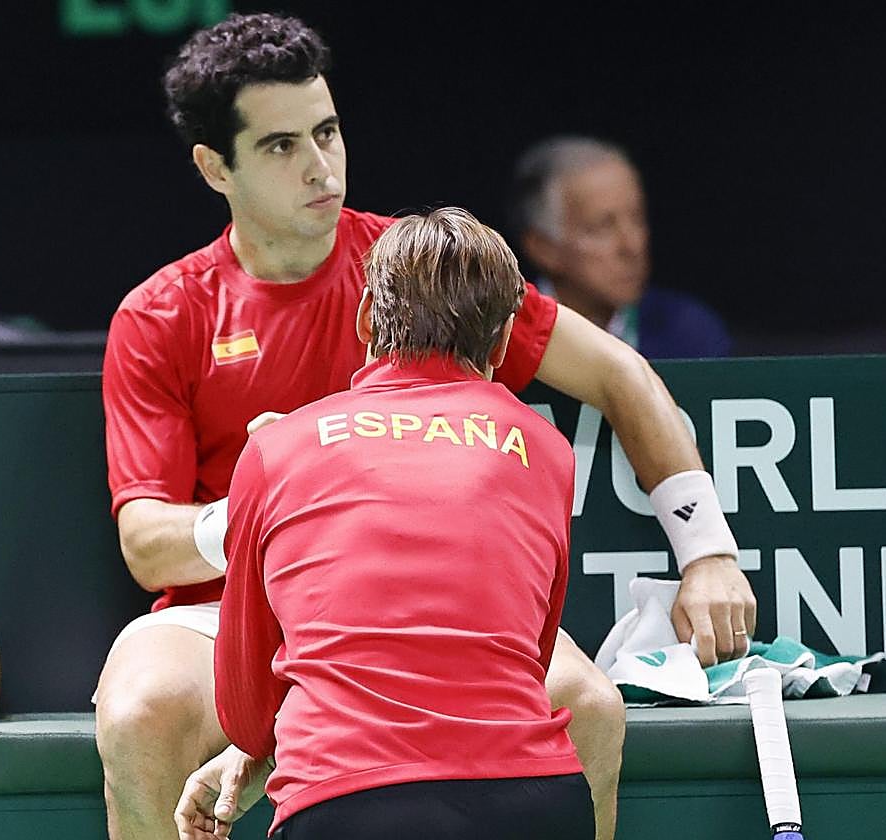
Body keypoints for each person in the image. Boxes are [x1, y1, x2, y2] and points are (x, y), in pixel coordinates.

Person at [96, 13, 755, 840]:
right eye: (280, 146)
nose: (320, 166)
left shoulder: (415, 273)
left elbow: (619, 372)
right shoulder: (163, 314)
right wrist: (271, 506)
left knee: (589, 705)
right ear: (213, 166)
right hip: (220, 611)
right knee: (138, 716)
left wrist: (708, 553)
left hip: (417, 595)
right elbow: (146, 539)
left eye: (328, 132)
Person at [175, 207, 595, 840]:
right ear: (505, 341)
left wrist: (258, 746)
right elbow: (530, 660)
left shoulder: (275, 448)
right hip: (532, 799)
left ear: (366, 316)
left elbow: (246, 713)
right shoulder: (547, 449)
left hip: (345, 804)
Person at [507, 136, 732, 359]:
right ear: (544, 249)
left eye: (637, 218)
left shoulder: (688, 334)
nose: (631, 246)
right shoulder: (502, 339)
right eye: (603, 227)